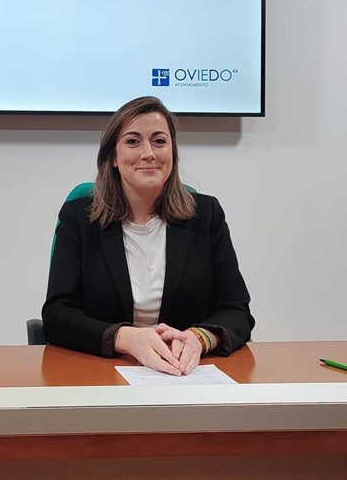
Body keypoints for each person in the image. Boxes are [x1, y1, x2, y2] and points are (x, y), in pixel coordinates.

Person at [42, 96, 254, 375]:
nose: (148, 153)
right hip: (104, 372)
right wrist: (125, 338)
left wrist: (199, 338)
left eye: (159, 141)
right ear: (113, 157)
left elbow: (237, 311)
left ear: (172, 152)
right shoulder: (79, 218)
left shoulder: (206, 215)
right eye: (133, 141)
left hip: (185, 374)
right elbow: (57, 316)